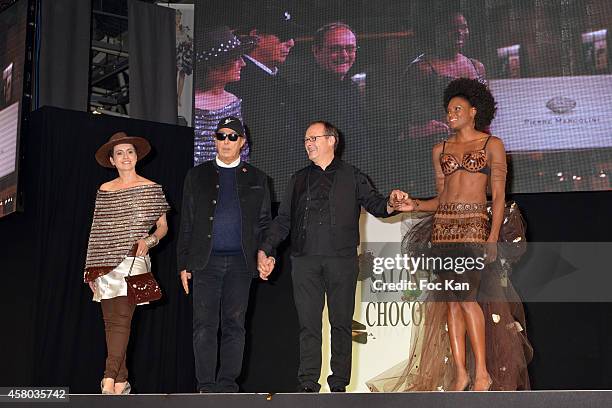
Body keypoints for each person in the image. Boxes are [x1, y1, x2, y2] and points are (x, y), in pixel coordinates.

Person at [370, 78, 532, 392]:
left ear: (474, 111)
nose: (451, 114)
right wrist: (413, 204)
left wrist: (492, 237)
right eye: (448, 110)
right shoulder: (440, 149)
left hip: (473, 229)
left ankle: (482, 373)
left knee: (468, 300)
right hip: (443, 232)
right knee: (451, 303)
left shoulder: (491, 145)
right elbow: (441, 198)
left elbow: (497, 197)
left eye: (457, 109)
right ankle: (461, 374)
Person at [257, 120, 408, 392]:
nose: (308, 144)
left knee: (340, 324)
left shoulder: (352, 175)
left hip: (342, 260)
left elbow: (377, 205)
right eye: (306, 140)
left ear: (331, 141)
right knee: (308, 325)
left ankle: (339, 384)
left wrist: (392, 202)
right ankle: (308, 384)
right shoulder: (298, 179)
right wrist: (266, 248)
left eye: (313, 138)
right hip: (304, 260)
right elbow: (283, 221)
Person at [177, 116, 272, 393]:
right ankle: (206, 386)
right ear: (215, 140)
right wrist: (183, 263)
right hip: (206, 262)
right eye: (221, 136)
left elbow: (265, 223)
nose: (226, 141)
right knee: (204, 325)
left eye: (233, 136)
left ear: (242, 142)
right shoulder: (197, 175)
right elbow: (187, 222)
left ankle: (227, 385)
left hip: (242, 264)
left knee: (235, 325)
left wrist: (265, 253)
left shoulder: (258, 178)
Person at [84, 132, 170, 394]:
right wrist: (90, 271)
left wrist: (151, 240)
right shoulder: (104, 190)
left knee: (122, 319)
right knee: (112, 323)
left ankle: (108, 379)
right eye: (119, 153)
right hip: (104, 263)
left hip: (135, 261)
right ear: (112, 160)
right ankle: (121, 382)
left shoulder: (151, 188)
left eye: (129, 151)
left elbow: (163, 227)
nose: (125, 157)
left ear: (137, 156)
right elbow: (96, 231)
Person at [227, 9, 301, 199]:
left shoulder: (280, 79)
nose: (291, 43)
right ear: (256, 36)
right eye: (283, 36)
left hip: (283, 184)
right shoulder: (237, 81)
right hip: (252, 187)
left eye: (292, 37)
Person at [296, 23, 367, 166]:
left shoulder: (351, 86)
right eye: (335, 49)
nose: (344, 55)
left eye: (350, 49)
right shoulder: (304, 93)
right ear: (317, 51)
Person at [193, 26, 254, 165]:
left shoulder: (233, 101)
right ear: (214, 66)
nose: (243, 64)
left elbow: (242, 154)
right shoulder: (189, 104)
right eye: (236, 59)